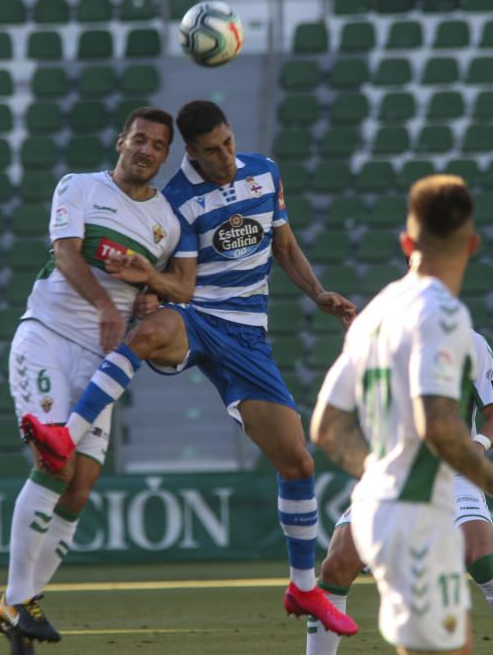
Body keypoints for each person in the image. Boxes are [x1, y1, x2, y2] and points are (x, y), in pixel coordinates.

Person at [21, 100, 360, 635]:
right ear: (191, 155)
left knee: (297, 462)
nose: (224, 157)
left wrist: (317, 293)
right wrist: (147, 290)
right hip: (197, 315)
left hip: (247, 335)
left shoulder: (264, 172)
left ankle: (303, 587)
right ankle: (67, 434)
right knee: (151, 331)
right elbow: (171, 276)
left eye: (227, 143)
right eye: (210, 151)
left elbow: (284, 245)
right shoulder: (172, 200)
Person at [309, 174, 493, 655]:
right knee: (428, 633)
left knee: (428, 629)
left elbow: (326, 428)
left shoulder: (370, 319)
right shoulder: (446, 317)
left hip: (390, 491)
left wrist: (386, 474)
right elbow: (437, 427)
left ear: (406, 242)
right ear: (471, 245)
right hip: (423, 495)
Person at [0, 107, 186, 655]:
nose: (145, 150)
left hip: (99, 365)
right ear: (121, 140)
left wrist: (152, 294)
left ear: (164, 156)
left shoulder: (166, 224)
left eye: (156, 145)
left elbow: (166, 286)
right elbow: (65, 254)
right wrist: (105, 303)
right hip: (48, 338)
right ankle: (18, 599)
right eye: (139, 139)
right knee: (55, 464)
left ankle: (18, 609)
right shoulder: (79, 187)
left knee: (80, 487)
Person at [306, 330, 493, 655]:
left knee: (480, 557)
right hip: (394, 475)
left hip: (453, 473)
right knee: (336, 565)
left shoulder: (468, 341)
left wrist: (476, 447)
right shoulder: (379, 336)